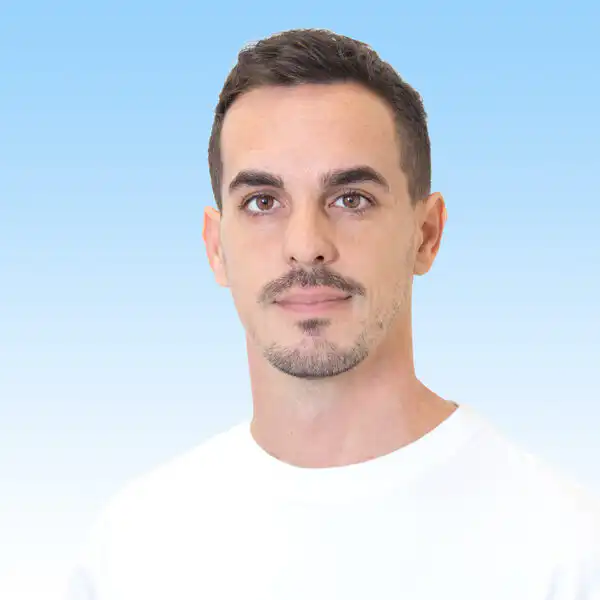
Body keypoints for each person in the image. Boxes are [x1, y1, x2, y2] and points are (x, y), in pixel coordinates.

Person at [66, 28, 600, 600]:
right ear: (216, 247)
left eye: (351, 199)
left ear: (425, 234)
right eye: (262, 202)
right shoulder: (131, 552)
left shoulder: (563, 553)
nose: (306, 245)